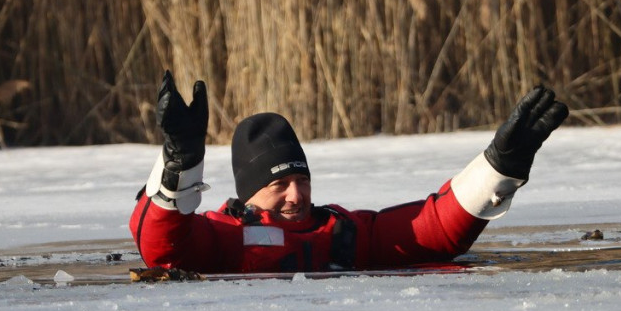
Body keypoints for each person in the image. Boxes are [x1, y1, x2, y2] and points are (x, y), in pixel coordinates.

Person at [130, 70, 568, 273]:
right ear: (248, 194)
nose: (296, 196)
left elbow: (430, 230)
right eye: (279, 184)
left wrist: (500, 167)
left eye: (302, 181)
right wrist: (181, 163)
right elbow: (162, 251)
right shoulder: (220, 236)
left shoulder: (345, 232)